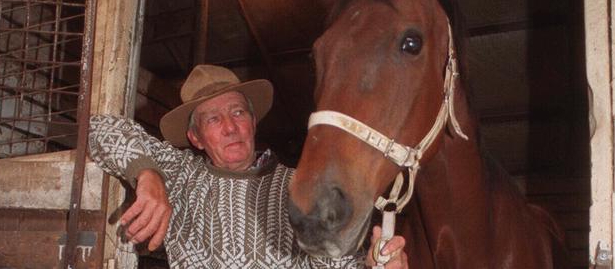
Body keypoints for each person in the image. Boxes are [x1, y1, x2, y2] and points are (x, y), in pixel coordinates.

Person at [89, 64, 408, 268]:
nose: (230, 127)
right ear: (196, 138)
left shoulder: (297, 185)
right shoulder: (182, 174)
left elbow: (329, 262)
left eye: (238, 113)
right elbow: (99, 130)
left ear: (253, 122)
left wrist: (372, 265)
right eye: (213, 119)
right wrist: (146, 172)